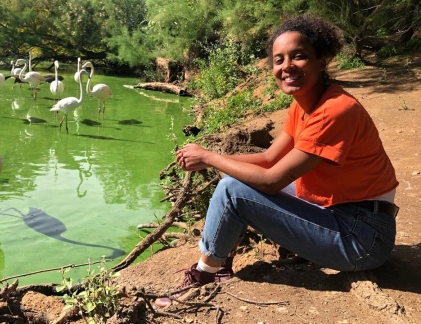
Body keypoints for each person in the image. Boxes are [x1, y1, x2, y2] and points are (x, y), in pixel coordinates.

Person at [155, 15, 399, 307]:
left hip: (361, 238)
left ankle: (207, 272)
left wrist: (210, 157)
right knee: (236, 178)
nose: (287, 67)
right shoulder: (306, 103)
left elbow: (272, 180)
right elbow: (269, 158)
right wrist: (210, 161)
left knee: (233, 190)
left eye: (299, 56)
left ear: (321, 61)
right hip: (345, 213)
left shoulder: (334, 110)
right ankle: (223, 252)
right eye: (279, 59)